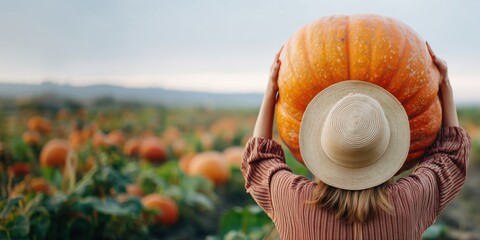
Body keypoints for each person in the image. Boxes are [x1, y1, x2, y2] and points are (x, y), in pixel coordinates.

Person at [241, 42, 471, 240]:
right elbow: (450, 158)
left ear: (322, 146)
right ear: (387, 149)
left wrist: (271, 89)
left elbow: (258, 161)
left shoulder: (292, 199)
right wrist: (444, 86)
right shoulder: (410, 201)